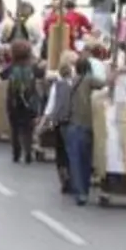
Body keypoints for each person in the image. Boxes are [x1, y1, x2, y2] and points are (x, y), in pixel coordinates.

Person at [61, 56, 111, 205]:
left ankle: (80, 192)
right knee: (86, 160)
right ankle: (84, 189)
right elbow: (105, 84)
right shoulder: (89, 80)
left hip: (71, 124)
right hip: (86, 125)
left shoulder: (72, 81)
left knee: (75, 161)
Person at [40, 55, 78, 193]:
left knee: (61, 152)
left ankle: (64, 177)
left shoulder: (57, 86)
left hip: (59, 122)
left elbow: (50, 107)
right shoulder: (76, 85)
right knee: (71, 152)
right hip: (73, 122)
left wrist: (42, 123)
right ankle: (72, 177)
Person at [2, 40, 42, 164]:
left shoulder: (11, 67)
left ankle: (16, 152)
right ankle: (28, 151)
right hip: (29, 100)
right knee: (28, 127)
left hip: (13, 101)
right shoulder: (33, 67)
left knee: (15, 127)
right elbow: (42, 74)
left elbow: (1, 76)